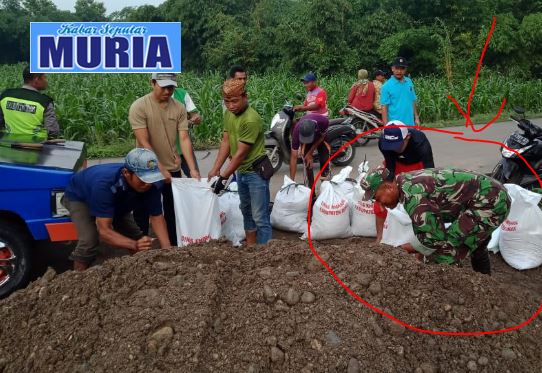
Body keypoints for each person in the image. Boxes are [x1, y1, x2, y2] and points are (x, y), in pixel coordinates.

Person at [362, 168, 511, 275]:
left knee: (445, 253)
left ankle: (454, 299)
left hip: (490, 201)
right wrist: (419, 257)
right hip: (490, 194)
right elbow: (423, 226)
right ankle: (485, 283)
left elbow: (435, 239)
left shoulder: (414, 196)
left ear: (388, 187)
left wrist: (397, 250)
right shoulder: (405, 182)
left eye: (378, 198)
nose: (380, 205)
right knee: (474, 243)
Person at [62, 148, 171, 271]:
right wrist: (134, 245)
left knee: (138, 238)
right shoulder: (104, 184)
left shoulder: (152, 184)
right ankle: (77, 278)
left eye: (151, 179)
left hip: (117, 198)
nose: (147, 184)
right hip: (81, 197)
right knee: (89, 240)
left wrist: (167, 250)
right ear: (126, 173)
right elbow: (104, 232)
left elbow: (157, 218)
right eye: (143, 180)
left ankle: (143, 272)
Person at [129, 72, 200, 246]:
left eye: (171, 87)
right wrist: (160, 168)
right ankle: (140, 246)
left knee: (171, 208)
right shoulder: (139, 106)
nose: (168, 91)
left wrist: (192, 169)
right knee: (143, 209)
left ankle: (173, 245)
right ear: (152, 83)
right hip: (145, 168)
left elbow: (184, 139)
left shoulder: (179, 108)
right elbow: (144, 142)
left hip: (173, 167)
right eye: (164, 86)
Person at [208, 79, 272, 245]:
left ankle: (265, 252)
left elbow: (240, 155)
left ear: (245, 97)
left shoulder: (251, 119)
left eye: (235, 101)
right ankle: (251, 249)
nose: (231, 106)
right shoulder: (229, 114)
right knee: (246, 210)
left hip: (255, 173)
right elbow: (226, 141)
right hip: (241, 172)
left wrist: (223, 177)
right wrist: (215, 168)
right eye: (227, 102)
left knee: (260, 216)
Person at [372, 121, 435, 242]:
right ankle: (379, 236)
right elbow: (390, 167)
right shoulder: (382, 142)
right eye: (391, 146)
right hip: (396, 165)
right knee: (382, 197)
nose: (394, 149)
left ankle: (423, 237)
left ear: (408, 137)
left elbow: (430, 172)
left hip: (417, 167)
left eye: (398, 145)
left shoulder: (420, 141)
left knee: (419, 200)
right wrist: (386, 189)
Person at [0, 66, 60, 140]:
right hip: (36, 147)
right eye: (45, 77)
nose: (46, 81)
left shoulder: (5, 95)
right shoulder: (44, 101)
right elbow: (53, 132)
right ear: (36, 79)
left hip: (9, 145)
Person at [290, 114, 330, 189]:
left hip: (321, 137)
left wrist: (310, 153)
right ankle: (312, 192)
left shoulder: (323, 121)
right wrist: (291, 182)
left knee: (324, 159)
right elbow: (293, 158)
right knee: (307, 162)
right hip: (308, 136)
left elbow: (322, 137)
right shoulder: (297, 131)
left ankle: (325, 187)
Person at [381, 57, 420, 126]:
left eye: (402, 68)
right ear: (392, 69)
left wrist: (416, 117)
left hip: (410, 123)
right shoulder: (386, 86)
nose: (399, 71)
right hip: (395, 125)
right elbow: (384, 107)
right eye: (397, 68)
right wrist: (386, 126)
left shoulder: (409, 81)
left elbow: (412, 100)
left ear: (405, 70)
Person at [173, 86, 202, 178]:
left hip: (184, 147)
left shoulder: (182, 94)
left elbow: (196, 116)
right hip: (167, 151)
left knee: (195, 178)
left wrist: (194, 120)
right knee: (173, 183)